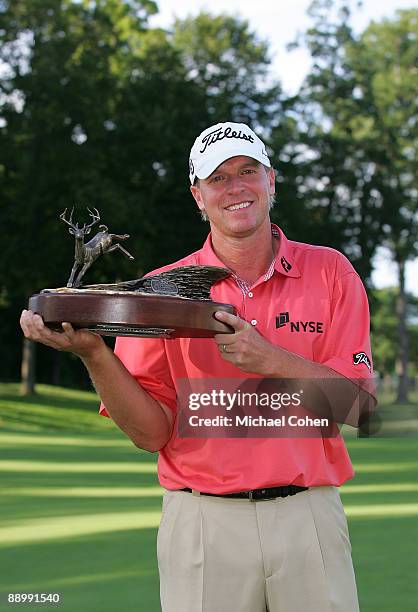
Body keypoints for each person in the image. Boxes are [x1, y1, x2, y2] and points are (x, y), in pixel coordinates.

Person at [20, 121, 376, 612]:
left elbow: (360, 408)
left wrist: (268, 357)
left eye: (248, 171)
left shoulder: (331, 271)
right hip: (203, 523)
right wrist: (95, 354)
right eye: (218, 178)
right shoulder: (160, 292)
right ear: (198, 196)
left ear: (271, 181)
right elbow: (151, 434)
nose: (236, 188)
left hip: (308, 517)